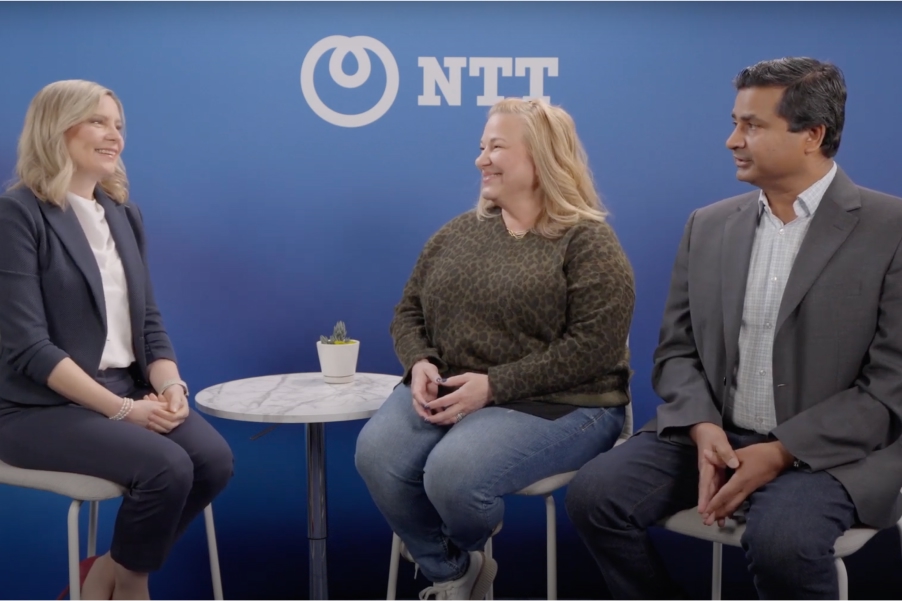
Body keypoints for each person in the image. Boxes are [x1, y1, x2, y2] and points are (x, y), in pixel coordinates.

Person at [566, 57, 902, 599]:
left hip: (835, 453)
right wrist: (701, 427)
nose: (732, 140)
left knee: (782, 540)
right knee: (594, 495)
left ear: (812, 135)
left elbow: (892, 386)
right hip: (714, 435)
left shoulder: (892, 230)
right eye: (735, 121)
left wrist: (781, 451)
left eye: (752, 125)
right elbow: (676, 351)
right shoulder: (709, 225)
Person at [355, 97, 635, 600]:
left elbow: (595, 348)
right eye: (481, 147)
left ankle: (447, 548)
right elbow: (409, 311)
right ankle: (453, 571)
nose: (480, 159)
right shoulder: (458, 233)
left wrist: (495, 386)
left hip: (568, 402)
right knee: (377, 455)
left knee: (453, 475)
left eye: (496, 147)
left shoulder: (588, 243)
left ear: (542, 157)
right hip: (454, 385)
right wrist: (420, 360)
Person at [0, 80, 234, 600]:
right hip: (38, 409)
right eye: (98, 122)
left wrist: (171, 387)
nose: (114, 136)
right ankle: (130, 587)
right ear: (56, 129)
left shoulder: (123, 215)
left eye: (119, 125)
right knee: (166, 467)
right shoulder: (18, 213)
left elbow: (148, 323)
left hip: (125, 391)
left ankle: (102, 573)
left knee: (212, 461)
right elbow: (28, 348)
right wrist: (123, 412)